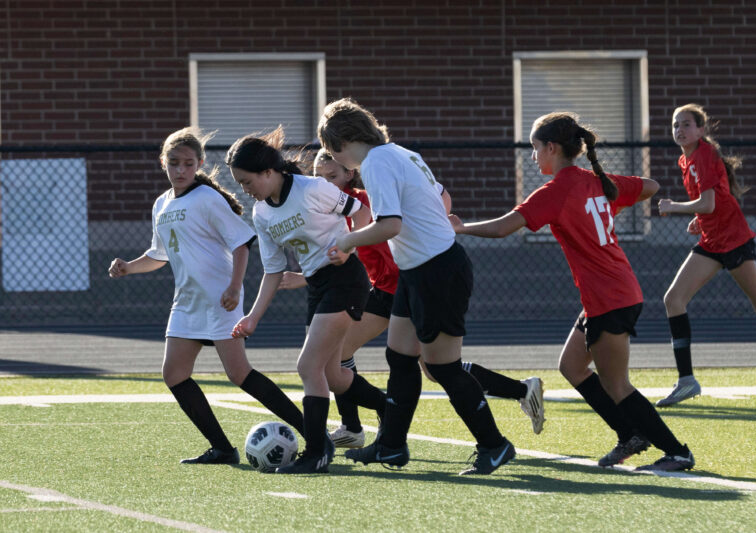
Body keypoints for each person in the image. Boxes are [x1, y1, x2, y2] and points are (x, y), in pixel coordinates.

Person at [449, 111, 695, 471]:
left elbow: (504, 228)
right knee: (572, 365)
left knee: (617, 385)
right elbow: (651, 185)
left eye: (535, 149)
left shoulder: (557, 191)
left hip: (610, 297)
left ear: (552, 147)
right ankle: (629, 434)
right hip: (614, 292)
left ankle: (676, 452)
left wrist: (461, 228)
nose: (533, 157)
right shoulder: (594, 180)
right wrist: (611, 195)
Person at [280, 149, 545, 447]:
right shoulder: (329, 206)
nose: (325, 183)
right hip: (382, 290)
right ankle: (352, 428)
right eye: (319, 177)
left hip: (406, 288)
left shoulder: (364, 203)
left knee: (436, 369)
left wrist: (305, 278)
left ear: (349, 174)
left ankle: (521, 391)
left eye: (332, 176)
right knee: (337, 353)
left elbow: (359, 247)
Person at [318, 97, 516, 476]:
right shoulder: (399, 153)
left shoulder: (375, 163)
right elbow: (438, 200)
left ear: (340, 144)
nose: (335, 159)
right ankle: (391, 446)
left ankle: (495, 445)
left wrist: (346, 242)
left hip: (436, 271)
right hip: (418, 270)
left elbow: (389, 224)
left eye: (330, 151)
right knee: (401, 357)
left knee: (444, 368)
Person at [108, 127, 305, 465]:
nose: (181, 170)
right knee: (174, 375)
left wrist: (233, 286)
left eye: (188, 163)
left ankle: (313, 433)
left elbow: (242, 244)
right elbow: (159, 255)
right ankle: (223, 449)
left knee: (239, 374)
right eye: (174, 163)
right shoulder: (162, 204)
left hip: (219, 299)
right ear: (163, 163)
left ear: (199, 163)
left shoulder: (208, 199)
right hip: (186, 302)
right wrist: (128, 266)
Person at [226, 126, 387, 474]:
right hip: (318, 285)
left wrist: (349, 246)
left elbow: (360, 213)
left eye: (247, 181)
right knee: (332, 375)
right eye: (240, 184)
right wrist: (252, 317)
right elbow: (273, 271)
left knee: (307, 367)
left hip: (345, 279)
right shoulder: (262, 213)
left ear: (268, 172)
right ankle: (390, 408)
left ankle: (317, 453)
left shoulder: (313, 188)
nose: (245, 190)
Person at [656, 103, 756, 407]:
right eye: (675, 125)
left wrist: (676, 207)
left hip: (733, 240)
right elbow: (710, 202)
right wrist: (699, 218)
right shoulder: (687, 158)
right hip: (712, 240)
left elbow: (707, 203)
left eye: (686, 125)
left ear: (701, 130)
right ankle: (686, 381)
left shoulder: (705, 154)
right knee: (673, 299)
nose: (679, 130)